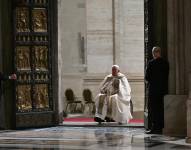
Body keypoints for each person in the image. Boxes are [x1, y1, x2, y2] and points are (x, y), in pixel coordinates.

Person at [145, 46, 169, 134]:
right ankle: (161, 127)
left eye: (153, 53)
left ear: (154, 53)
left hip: (153, 90)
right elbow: (166, 76)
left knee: (154, 110)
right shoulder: (165, 63)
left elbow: (147, 77)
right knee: (161, 108)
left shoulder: (151, 63)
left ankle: (154, 128)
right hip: (163, 90)